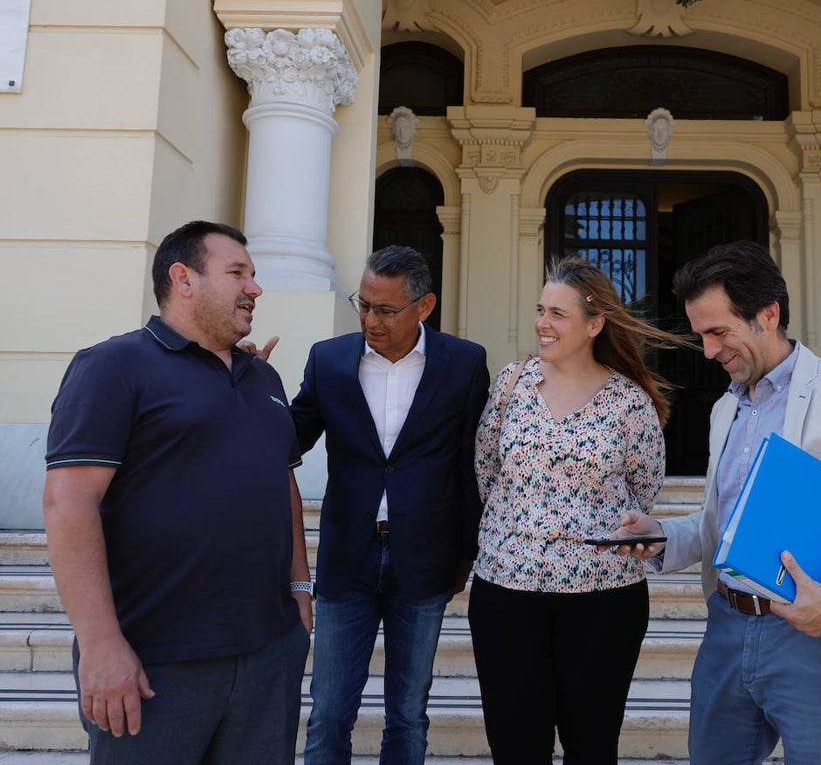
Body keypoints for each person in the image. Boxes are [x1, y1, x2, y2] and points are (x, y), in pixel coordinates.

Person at [616, 240, 821, 765]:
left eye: (718, 332)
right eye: (701, 335)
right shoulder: (724, 410)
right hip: (726, 632)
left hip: (819, 640)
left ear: (767, 315)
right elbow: (722, 525)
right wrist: (662, 535)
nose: (707, 351)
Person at [43, 220, 312, 765]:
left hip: (265, 658)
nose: (255, 288)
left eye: (254, 275)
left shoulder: (264, 381)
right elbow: (68, 503)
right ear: (183, 278)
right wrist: (99, 645)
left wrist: (301, 594)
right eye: (237, 273)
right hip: (152, 665)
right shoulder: (114, 366)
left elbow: (282, 480)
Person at [469, 256, 690, 765]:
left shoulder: (630, 403)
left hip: (603, 601)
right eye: (540, 310)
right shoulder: (511, 384)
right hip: (507, 592)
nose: (542, 324)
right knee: (515, 746)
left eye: (558, 314)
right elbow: (486, 468)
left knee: (592, 746)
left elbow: (643, 491)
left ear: (595, 325)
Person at [291, 246, 489, 765]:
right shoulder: (329, 360)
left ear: (424, 307)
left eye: (385, 309)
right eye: (364, 305)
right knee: (329, 711)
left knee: (407, 712)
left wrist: (466, 553)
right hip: (346, 558)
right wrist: (243, 387)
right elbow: (289, 440)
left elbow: (470, 466)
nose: (370, 320)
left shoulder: (465, 363)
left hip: (424, 559)